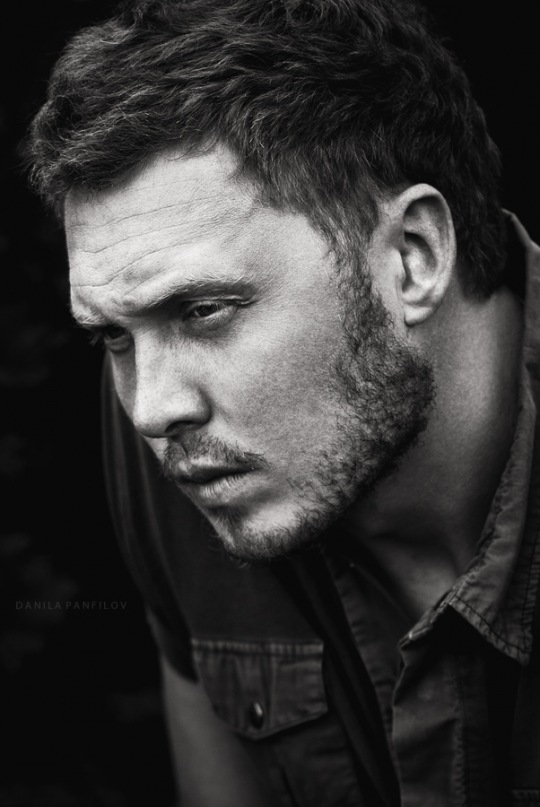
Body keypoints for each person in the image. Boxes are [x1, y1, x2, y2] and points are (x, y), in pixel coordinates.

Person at [26, 0, 540, 804]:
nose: (152, 410)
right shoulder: (185, 448)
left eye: (204, 310)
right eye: (113, 336)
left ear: (411, 258)